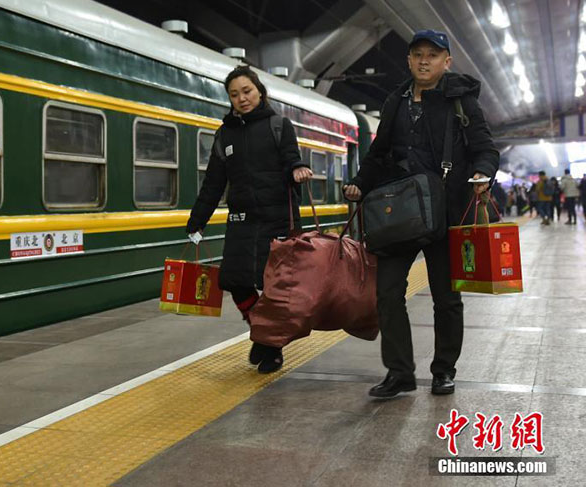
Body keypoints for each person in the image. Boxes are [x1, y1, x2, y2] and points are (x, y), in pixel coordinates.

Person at [343, 29, 499, 398]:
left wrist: (482, 173)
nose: (424, 61)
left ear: (447, 61)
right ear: (409, 60)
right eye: (417, 54)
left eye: (433, 54)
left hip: (445, 212)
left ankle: (444, 369)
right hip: (401, 212)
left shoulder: (460, 100)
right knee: (387, 293)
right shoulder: (396, 100)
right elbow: (379, 152)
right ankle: (400, 372)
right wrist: (360, 183)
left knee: (446, 298)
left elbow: (485, 148)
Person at [186, 65, 312, 374]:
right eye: (234, 94)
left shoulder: (279, 126)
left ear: (260, 92)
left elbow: (291, 159)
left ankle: (269, 347)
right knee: (232, 280)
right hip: (241, 221)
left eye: (247, 91)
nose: (242, 98)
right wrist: (197, 220)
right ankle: (265, 335)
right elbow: (214, 183)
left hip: (277, 221)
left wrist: (297, 169)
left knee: (272, 288)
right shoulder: (225, 134)